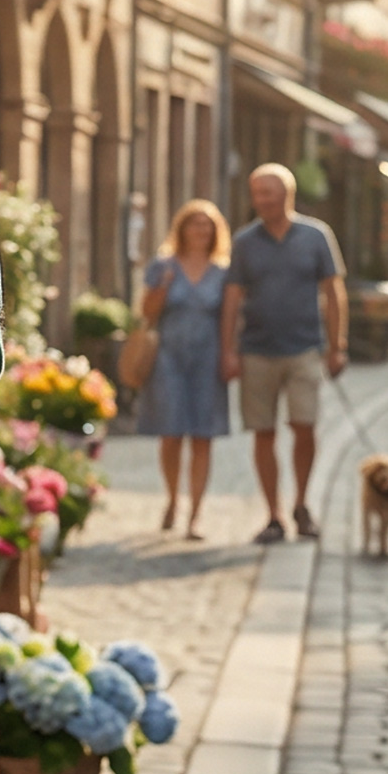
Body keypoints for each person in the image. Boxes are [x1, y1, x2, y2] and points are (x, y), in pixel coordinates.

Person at [218, 162, 348, 543]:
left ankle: (302, 503)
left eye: (267, 193)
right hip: (256, 349)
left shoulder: (315, 236)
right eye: (256, 193)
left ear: (286, 195)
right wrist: (228, 350)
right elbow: (232, 298)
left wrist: (337, 346)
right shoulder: (244, 242)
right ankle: (273, 513)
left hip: (305, 347)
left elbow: (333, 292)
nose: (261, 201)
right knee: (263, 432)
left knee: (304, 425)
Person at [136, 198, 232, 537]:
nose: (201, 230)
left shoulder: (224, 272)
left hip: (208, 358)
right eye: (195, 223)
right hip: (168, 358)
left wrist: (230, 356)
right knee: (171, 433)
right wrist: (162, 287)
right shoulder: (163, 265)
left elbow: (231, 318)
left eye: (207, 225)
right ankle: (173, 499)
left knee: (203, 435)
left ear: (215, 231)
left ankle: (196, 513)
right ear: (182, 228)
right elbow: (146, 313)